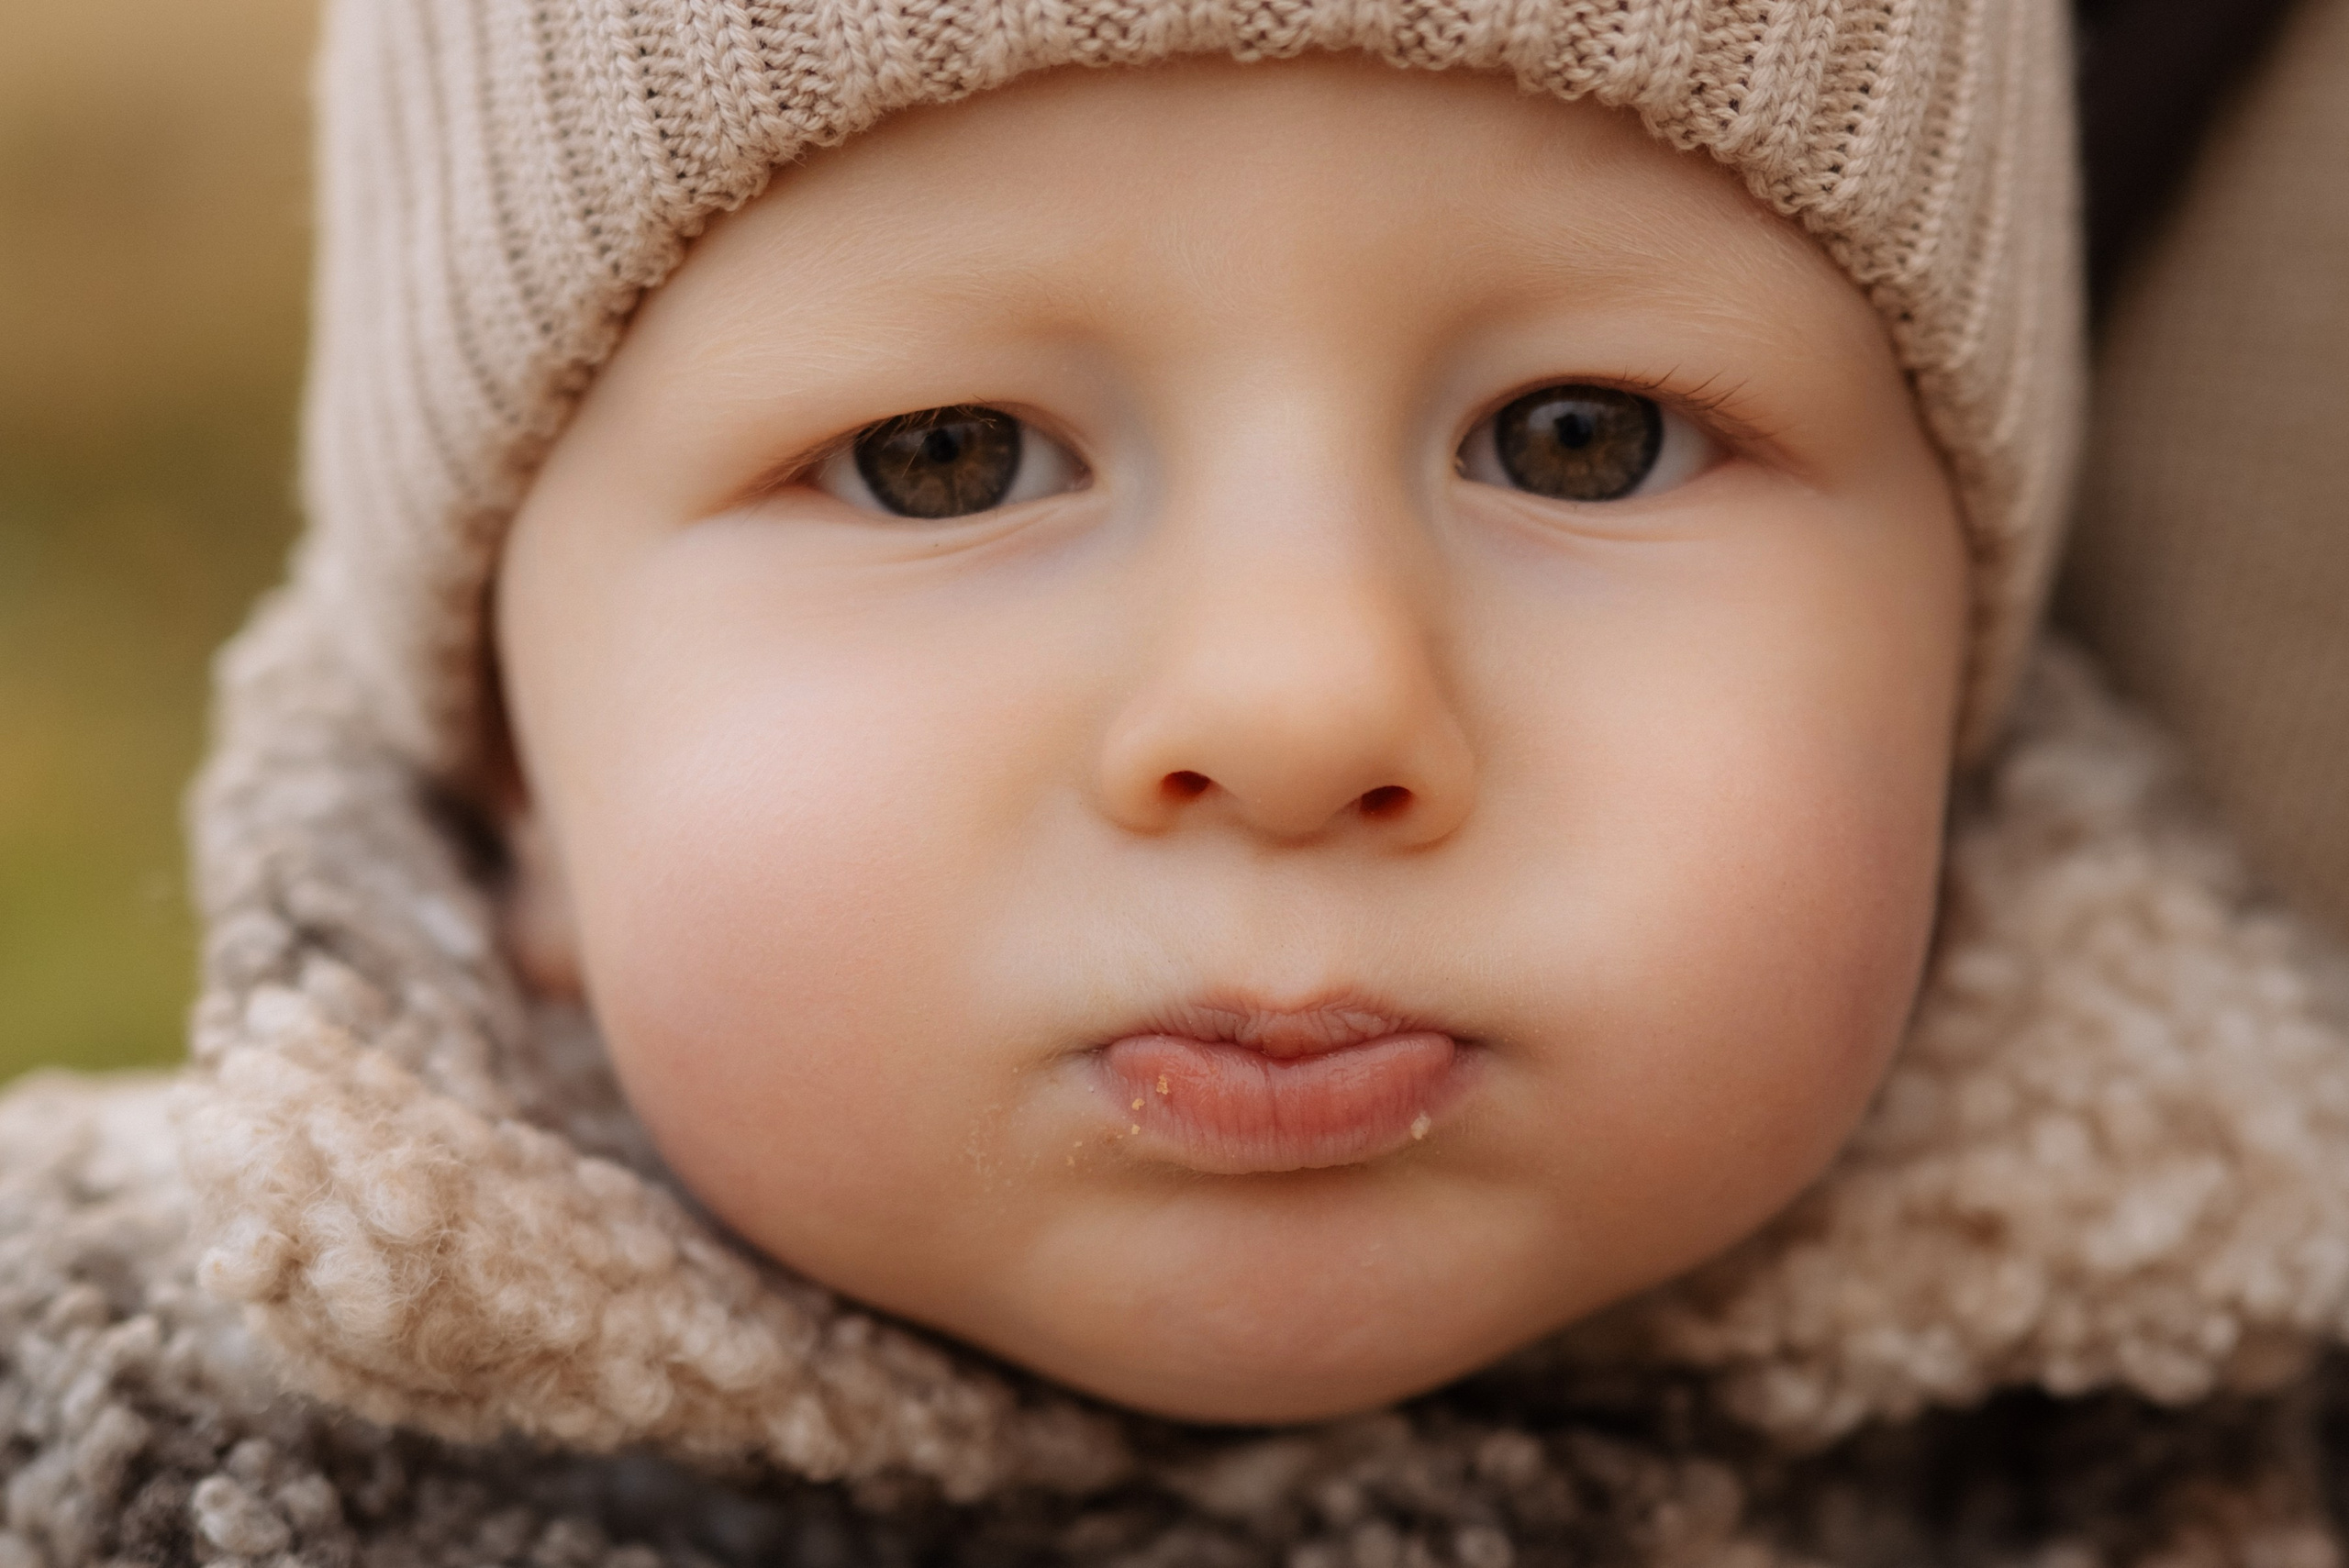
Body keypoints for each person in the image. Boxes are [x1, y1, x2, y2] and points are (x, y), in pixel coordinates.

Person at [7, 1, 2349, 1562]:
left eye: (1581, 439)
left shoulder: (2202, 1460)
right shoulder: (102, 1443)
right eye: (941, 462)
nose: (1309, 707)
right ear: (513, 766)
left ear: (1948, 662)